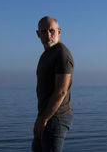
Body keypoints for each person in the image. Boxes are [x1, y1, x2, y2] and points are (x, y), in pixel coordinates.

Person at [32, 16, 74, 152]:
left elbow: (61, 91)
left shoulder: (61, 54)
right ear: (38, 34)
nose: (48, 35)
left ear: (59, 32)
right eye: (44, 32)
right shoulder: (46, 55)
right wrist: (41, 118)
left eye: (52, 31)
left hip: (56, 118)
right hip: (45, 116)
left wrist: (44, 118)